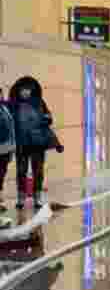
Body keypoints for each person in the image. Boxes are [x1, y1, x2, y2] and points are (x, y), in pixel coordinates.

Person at [9, 77, 63, 209]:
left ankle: (37, 197)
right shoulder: (14, 104)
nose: (26, 92)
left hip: (37, 143)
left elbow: (49, 117)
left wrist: (45, 119)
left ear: (32, 91)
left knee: (38, 170)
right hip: (21, 143)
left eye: (28, 90)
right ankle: (21, 198)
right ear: (18, 91)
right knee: (21, 171)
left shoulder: (39, 102)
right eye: (23, 90)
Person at [0, 89, 15, 211]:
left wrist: (12, 148)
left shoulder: (4, 108)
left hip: (6, 148)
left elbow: (11, 129)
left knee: (2, 174)